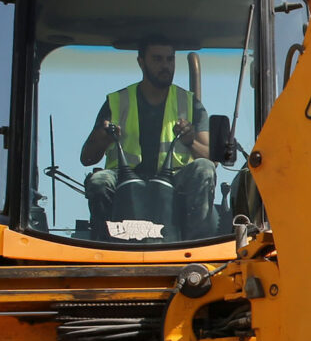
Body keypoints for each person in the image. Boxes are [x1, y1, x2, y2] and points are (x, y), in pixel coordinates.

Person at [78, 38, 216, 241]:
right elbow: (87, 158)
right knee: (99, 181)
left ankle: (198, 246)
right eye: (157, 59)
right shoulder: (117, 102)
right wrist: (102, 137)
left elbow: (212, 159)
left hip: (174, 180)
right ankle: (103, 246)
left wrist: (191, 140)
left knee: (203, 168)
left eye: (170, 60)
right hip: (123, 179)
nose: (165, 66)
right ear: (141, 62)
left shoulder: (189, 103)